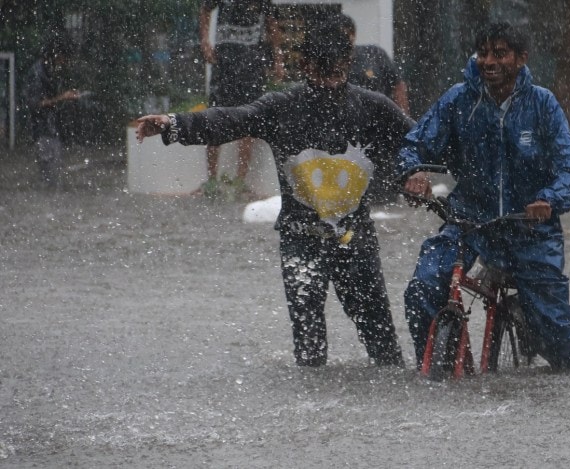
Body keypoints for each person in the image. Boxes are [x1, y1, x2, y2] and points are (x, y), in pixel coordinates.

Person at [136, 20, 412, 367]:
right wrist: (175, 125)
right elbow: (231, 120)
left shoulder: (374, 108)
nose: (330, 85)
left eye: (338, 74)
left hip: (355, 239)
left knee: (382, 344)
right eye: (322, 74)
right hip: (300, 238)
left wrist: (417, 174)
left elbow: (420, 143)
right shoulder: (283, 107)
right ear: (305, 67)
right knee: (309, 349)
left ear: (348, 67)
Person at [399, 22, 570, 372]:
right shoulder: (459, 99)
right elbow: (415, 143)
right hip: (469, 222)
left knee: (553, 327)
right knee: (423, 288)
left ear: (521, 59)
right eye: (483, 53)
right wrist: (412, 173)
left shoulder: (542, 104)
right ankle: (435, 368)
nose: (489, 61)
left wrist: (548, 200)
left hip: (530, 228)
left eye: (499, 54)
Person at [199, 0, 284, 198]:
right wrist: (204, 41)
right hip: (224, 63)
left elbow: (273, 25)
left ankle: (240, 181)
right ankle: (211, 181)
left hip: (252, 65)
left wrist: (278, 59)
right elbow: (205, 9)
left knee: (248, 121)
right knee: (214, 118)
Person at [24, 37, 81, 188]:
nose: (65, 62)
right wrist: (62, 97)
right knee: (49, 175)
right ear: (56, 55)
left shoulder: (48, 70)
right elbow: (36, 103)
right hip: (42, 129)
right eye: (64, 58)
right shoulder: (38, 73)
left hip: (50, 128)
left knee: (53, 173)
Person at [332, 13, 409, 115]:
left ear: (353, 34)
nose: (342, 41)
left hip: (380, 116)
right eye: (338, 37)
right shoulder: (331, 62)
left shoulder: (374, 54)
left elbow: (398, 86)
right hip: (350, 119)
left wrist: (403, 117)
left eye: (345, 36)